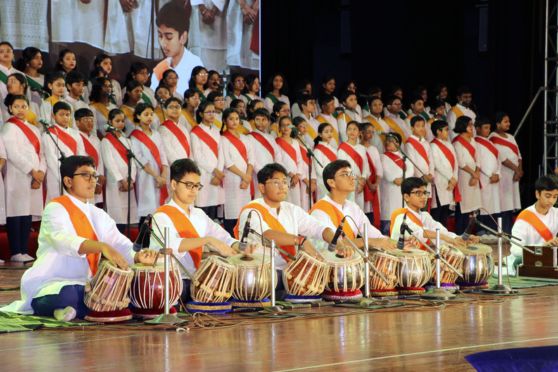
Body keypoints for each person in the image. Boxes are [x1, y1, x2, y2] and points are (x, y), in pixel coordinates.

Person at [1, 155, 157, 321]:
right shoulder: (55, 208)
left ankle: (74, 311)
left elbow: (118, 242)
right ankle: (69, 308)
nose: (92, 181)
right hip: (54, 282)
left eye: (94, 176)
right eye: (85, 175)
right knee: (68, 294)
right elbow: (62, 240)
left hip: (88, 284)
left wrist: (137, 256)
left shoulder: (98, 214)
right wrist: (101, 247)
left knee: (127, 290)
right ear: (68, 181)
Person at [150, 158, 239, 303]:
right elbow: (172, 245)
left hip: (196, 282)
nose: (193, 191)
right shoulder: (161, 215)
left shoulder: (199, 214)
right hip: (170, 284)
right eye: (189, 185)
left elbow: (222, 237)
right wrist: (208, 240)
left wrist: (239, 246)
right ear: (173, 184)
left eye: (197, 186)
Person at [235, 163, 350, 273]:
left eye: (285, 182)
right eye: (276, 182)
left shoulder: (291, 209)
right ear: (262, 187)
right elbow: (266, 235)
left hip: (289, 271)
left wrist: (337, 242)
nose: (282, 186)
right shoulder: (251, 210)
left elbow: (318, 228)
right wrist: (300, 240)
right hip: (262, 274)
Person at [310, 160, 396, 251]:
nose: (352, 178)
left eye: (352, 174)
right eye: (345, 174)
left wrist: (397, 243)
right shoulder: (320, 210)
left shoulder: (353, 207)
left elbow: (375, 235)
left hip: (350, 262)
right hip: (329, 263)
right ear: (331, 182)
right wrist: (369, 241)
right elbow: (335, 244)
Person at [2, 94, 45, 262]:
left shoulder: (35, 129)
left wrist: (40, 173)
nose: (21, 110)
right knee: (16, 213)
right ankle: (15, 251)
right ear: (11, 109)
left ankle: (24, 249)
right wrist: (32, 171)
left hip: (34, 178)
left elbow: (41, 154)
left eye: (24, 106)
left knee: (27, 213)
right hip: (17, 176)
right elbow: (13, 154)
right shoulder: (8, 128)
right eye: (17, 106)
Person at [390, 177, 474, 248]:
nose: (424, 197)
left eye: (425, 193)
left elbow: (440, 230)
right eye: (418, 193)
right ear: (406, 197)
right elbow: (421, 234)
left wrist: (458, 238)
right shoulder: (401, 215)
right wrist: (448, 239)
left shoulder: (425, 215)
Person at [130, 103, 169, 232]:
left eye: (151, 114)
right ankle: (144, 244)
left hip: (160, 176)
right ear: (138, 116)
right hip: (146, 177)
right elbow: (139, 159)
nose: (149, 117)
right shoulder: (135, 136)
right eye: (146, 114)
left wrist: (163, 176)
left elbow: (163, 155)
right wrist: (156, 176)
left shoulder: (157, 134)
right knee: (147, 211)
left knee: (159, 211)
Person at [508, 175, 558, 276]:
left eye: (555, 197)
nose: (551, 201)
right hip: (527, 262)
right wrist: (542, 247)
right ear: (537, 194)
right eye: (547, 196)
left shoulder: (556, 213)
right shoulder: (524, 218)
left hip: (550, 261)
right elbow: (515, 250)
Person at [151, 1, 204, 96]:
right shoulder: (160, 69)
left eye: (169, 37)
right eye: (160, 36)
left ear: (183, 37)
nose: (163, 43)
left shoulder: (195, 66)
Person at [100, 109, 138, 232]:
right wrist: (121, 180)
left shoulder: (127, 140)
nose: (120, 124)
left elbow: (133, 161)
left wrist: (131, 179)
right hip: (115, 181)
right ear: (110, 122)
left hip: (128, 181)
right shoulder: (106, 141)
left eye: (122, 121)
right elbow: (109, 162)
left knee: (128, 214)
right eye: (117, 121)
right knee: (116, 215)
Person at [43, 101, 86, 203]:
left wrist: (78, 173)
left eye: (67, 115)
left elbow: (81, 154)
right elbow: (51, 157)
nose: (65, 118)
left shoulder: (76, 134)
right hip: (57, 175)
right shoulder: (49, 134)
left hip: (75, 175)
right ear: (53, 116)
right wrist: (64, 175)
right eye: (61, 114)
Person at [221, 108, 254, 234]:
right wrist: (244, 176)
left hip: (246, 178)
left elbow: (252, 159)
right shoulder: (223, 139)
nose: (234, 122)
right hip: (232, 179)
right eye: (231, 119)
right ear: (225, 121)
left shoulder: (246, 139)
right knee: (232, 210)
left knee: (244, 211)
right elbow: (228, 162)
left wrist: (248, 176)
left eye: (236, 119)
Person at [190, 100, 224, 220]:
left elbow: (221, 153)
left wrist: (218, 173)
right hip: (204, 174)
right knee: (203, 209)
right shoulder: (195, 132)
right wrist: (215, 171)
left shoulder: (216, 131)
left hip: (216, 176)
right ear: (201, 114)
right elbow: (198, 157)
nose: (211, 114)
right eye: (208, 112)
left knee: (214, 210)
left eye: (213, 112)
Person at [490, 112, 523, 234]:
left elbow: (519, 156)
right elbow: (502, 157)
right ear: (498, 124)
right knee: (503, 204)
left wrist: (519, 171)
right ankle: (502, 231)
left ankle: (510, 232)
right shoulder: (492, 137)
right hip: (504, 174)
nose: (508, 124)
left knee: (511, 204)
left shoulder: (511, 137)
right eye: (505, 121)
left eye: (508, 121)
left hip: (514, 176)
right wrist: (517, 169)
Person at [452, 115, 482, 234]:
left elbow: (478, 159)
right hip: (464, 177)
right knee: (463, 208)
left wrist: (477, 174)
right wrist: (473, 174)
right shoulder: (457, 142)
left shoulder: (473, 140)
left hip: (474, 177)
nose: (472, 127)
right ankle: (460, 234)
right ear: (463, 126)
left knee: (473, 208)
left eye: (472, 125)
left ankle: (469, 235)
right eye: (469, 125)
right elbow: (461, 162)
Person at [380, 133, 414, 235]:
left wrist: (403, 179)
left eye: (391, 141)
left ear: (398, 143)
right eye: (387, 140)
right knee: (389, 217)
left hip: (402, 189)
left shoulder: (404, 156)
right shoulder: (383, 156)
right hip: (389, 190)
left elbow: (411, 170)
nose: (388, 143)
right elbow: (385, 171)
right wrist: (394, 179)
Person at [430, 120, 459, 227]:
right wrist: (451, 178)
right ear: (438, 131)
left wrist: (454, 179)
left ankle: (444, 236)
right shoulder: (433, 146)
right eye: (446, 130)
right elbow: (438, 165)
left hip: (450, 182)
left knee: (446, 211)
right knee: (438, 211)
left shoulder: (449, 145)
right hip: (440, 182)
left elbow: (456, 163)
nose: (448, 132)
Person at [474, 117, 501, 231]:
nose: (488, 130)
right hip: (484, 178)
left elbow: (498, 161)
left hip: (494, 178)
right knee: (484, 205)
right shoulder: (475, 143)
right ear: (478, 129)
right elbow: (478, 162)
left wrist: (498, 174)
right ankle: (482, 231)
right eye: (485, 128)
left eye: (489, 128)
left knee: (493, 206)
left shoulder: (491, 143)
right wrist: (490, 175)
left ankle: (492, 231)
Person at [74, 108, 105, 206]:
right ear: (77, 122)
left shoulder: (96, 139)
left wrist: (100, 177)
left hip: (96, 177)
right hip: (85, 177)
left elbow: (100, 160)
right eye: (86, 120)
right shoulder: (75, 137)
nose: (90, 123)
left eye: (91, 120)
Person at [337, 121, 369, 210]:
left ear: (359, 133)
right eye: (349, 129)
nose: (352, 132)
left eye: (355, 129)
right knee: (349, 208)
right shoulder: (342, 149)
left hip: (360, 184)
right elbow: (343, 168)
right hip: (347, 182)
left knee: (359, 209)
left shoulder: (362, 148)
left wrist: (363, 179)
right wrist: (358, 179)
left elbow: (366, 166)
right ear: (346, 132)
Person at [405, 116, 435, 210]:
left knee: (426, 208)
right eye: (418, 126)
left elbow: (431, 161)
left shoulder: (426, 143)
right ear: (412, 128)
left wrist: (431, 174)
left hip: (427, 179)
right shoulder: (409, 144)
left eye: (423, 126)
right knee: (419, 208)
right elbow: (412, 163)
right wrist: (422, 178)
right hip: (418, 181)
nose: (421, 128)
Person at [248, 108, 278, 198]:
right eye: (257, 119)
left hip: (271, 173)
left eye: (264, 120)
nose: (261, 122)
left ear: (268, 121)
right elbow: (251, 157)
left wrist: (274, 170)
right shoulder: (250, 137)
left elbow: (277, 156)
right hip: (257, 174)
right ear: (253, 121)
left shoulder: (271, 138)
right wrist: (262, 172)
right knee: (259, 198)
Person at [275, 116, 304, 206]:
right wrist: (291, 175)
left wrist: (297, 175)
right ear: (279, 128)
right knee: (286, 202)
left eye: (288, 125)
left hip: (296, 179)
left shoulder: (295, 142)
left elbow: (299, 160)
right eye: (283, 125)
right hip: (284, 177)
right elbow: (278, 161)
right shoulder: (277, 142)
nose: (286, 128)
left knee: (296, 204)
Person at [360, 122, 383, 227]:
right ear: (362, 132)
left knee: (371, 210)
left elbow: (379, 168)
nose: (370, 134)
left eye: (372, 132)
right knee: (362, 209)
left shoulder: (374, 149)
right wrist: (368, 183)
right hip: (362, 183)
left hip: (373, 185)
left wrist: (376, 184)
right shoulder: (358, 148)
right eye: (368, 131)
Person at [226, 0, 260, 70]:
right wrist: (244, 6)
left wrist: (256, 7)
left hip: (259, 7)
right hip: (238, 5)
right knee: (237, 52)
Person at [159, 97, 192, 166]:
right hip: (175, 167)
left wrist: (190, 164)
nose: (175, 109)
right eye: (171, 107)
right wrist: (181, 166)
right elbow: (168, 152)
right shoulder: (162, 129)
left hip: (188, 166)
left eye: (177, 107)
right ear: (165, 110)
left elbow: (190, 149)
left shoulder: (184, 128)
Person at [313, 122, 338, 201]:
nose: (329, 134)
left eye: (331, 131)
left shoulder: (333, 149)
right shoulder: (317, 150)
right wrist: (330, 178)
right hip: (323, 182)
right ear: (320, 134)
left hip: (335, 180)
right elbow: (319, 169)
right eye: (326, 132)